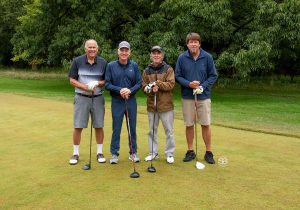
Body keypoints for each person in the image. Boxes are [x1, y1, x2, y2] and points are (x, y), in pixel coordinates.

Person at [175, 32, 218, 164]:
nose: (193, 44)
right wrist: (189, 84)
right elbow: (177, 76)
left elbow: (213, 75)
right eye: (191, 42)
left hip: (203, 96)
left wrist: (203, 86)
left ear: (199, 44)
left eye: (195, 42)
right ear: (187, 44)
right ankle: (190, 150)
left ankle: (209, 152)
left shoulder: (207, 57)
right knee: (189, 124)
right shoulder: (182, 58)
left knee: (205, 124)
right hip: (188, 96)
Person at [68, 39, 107, 165]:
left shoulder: (103, 62)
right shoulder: (77, 61)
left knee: (99, 125)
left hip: (98, 98)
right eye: (89, 47)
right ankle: (75, 153)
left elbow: (106, 81)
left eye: (94, 47)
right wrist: (85, 87)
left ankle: (99, 152)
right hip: (81, 98)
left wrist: (97, 83)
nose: (92, 49)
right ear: (85, 49)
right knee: (78, 126)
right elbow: (72, 80)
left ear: (97, 48)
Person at [105, 41, 142, 164]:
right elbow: (107, 84)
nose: (124, 52)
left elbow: (139, 83)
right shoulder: (111, 66)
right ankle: (114, 154)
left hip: (131, 101)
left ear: (129, 52)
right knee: (116, 128)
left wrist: (129, 90)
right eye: (122, 50)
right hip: (117, 101)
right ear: (118, 51)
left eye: (126, 50)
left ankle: (133, 152)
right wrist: (120, 90)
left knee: (132, 128)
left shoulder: (134, 66)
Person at [142, 46, 176, 164]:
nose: (156, 55)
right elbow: (143, 87)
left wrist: (158, 84)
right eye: (154, 53)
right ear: (151, 56)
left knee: (169, 131)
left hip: (166, 105)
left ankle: (170, 153)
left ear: (162, 55)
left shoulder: (168, 69)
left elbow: (171, 84)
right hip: (152, 105)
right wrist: (150, 88)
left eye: (158, 53)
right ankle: (153, 153)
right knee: (152, 130)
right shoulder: (147, 70)